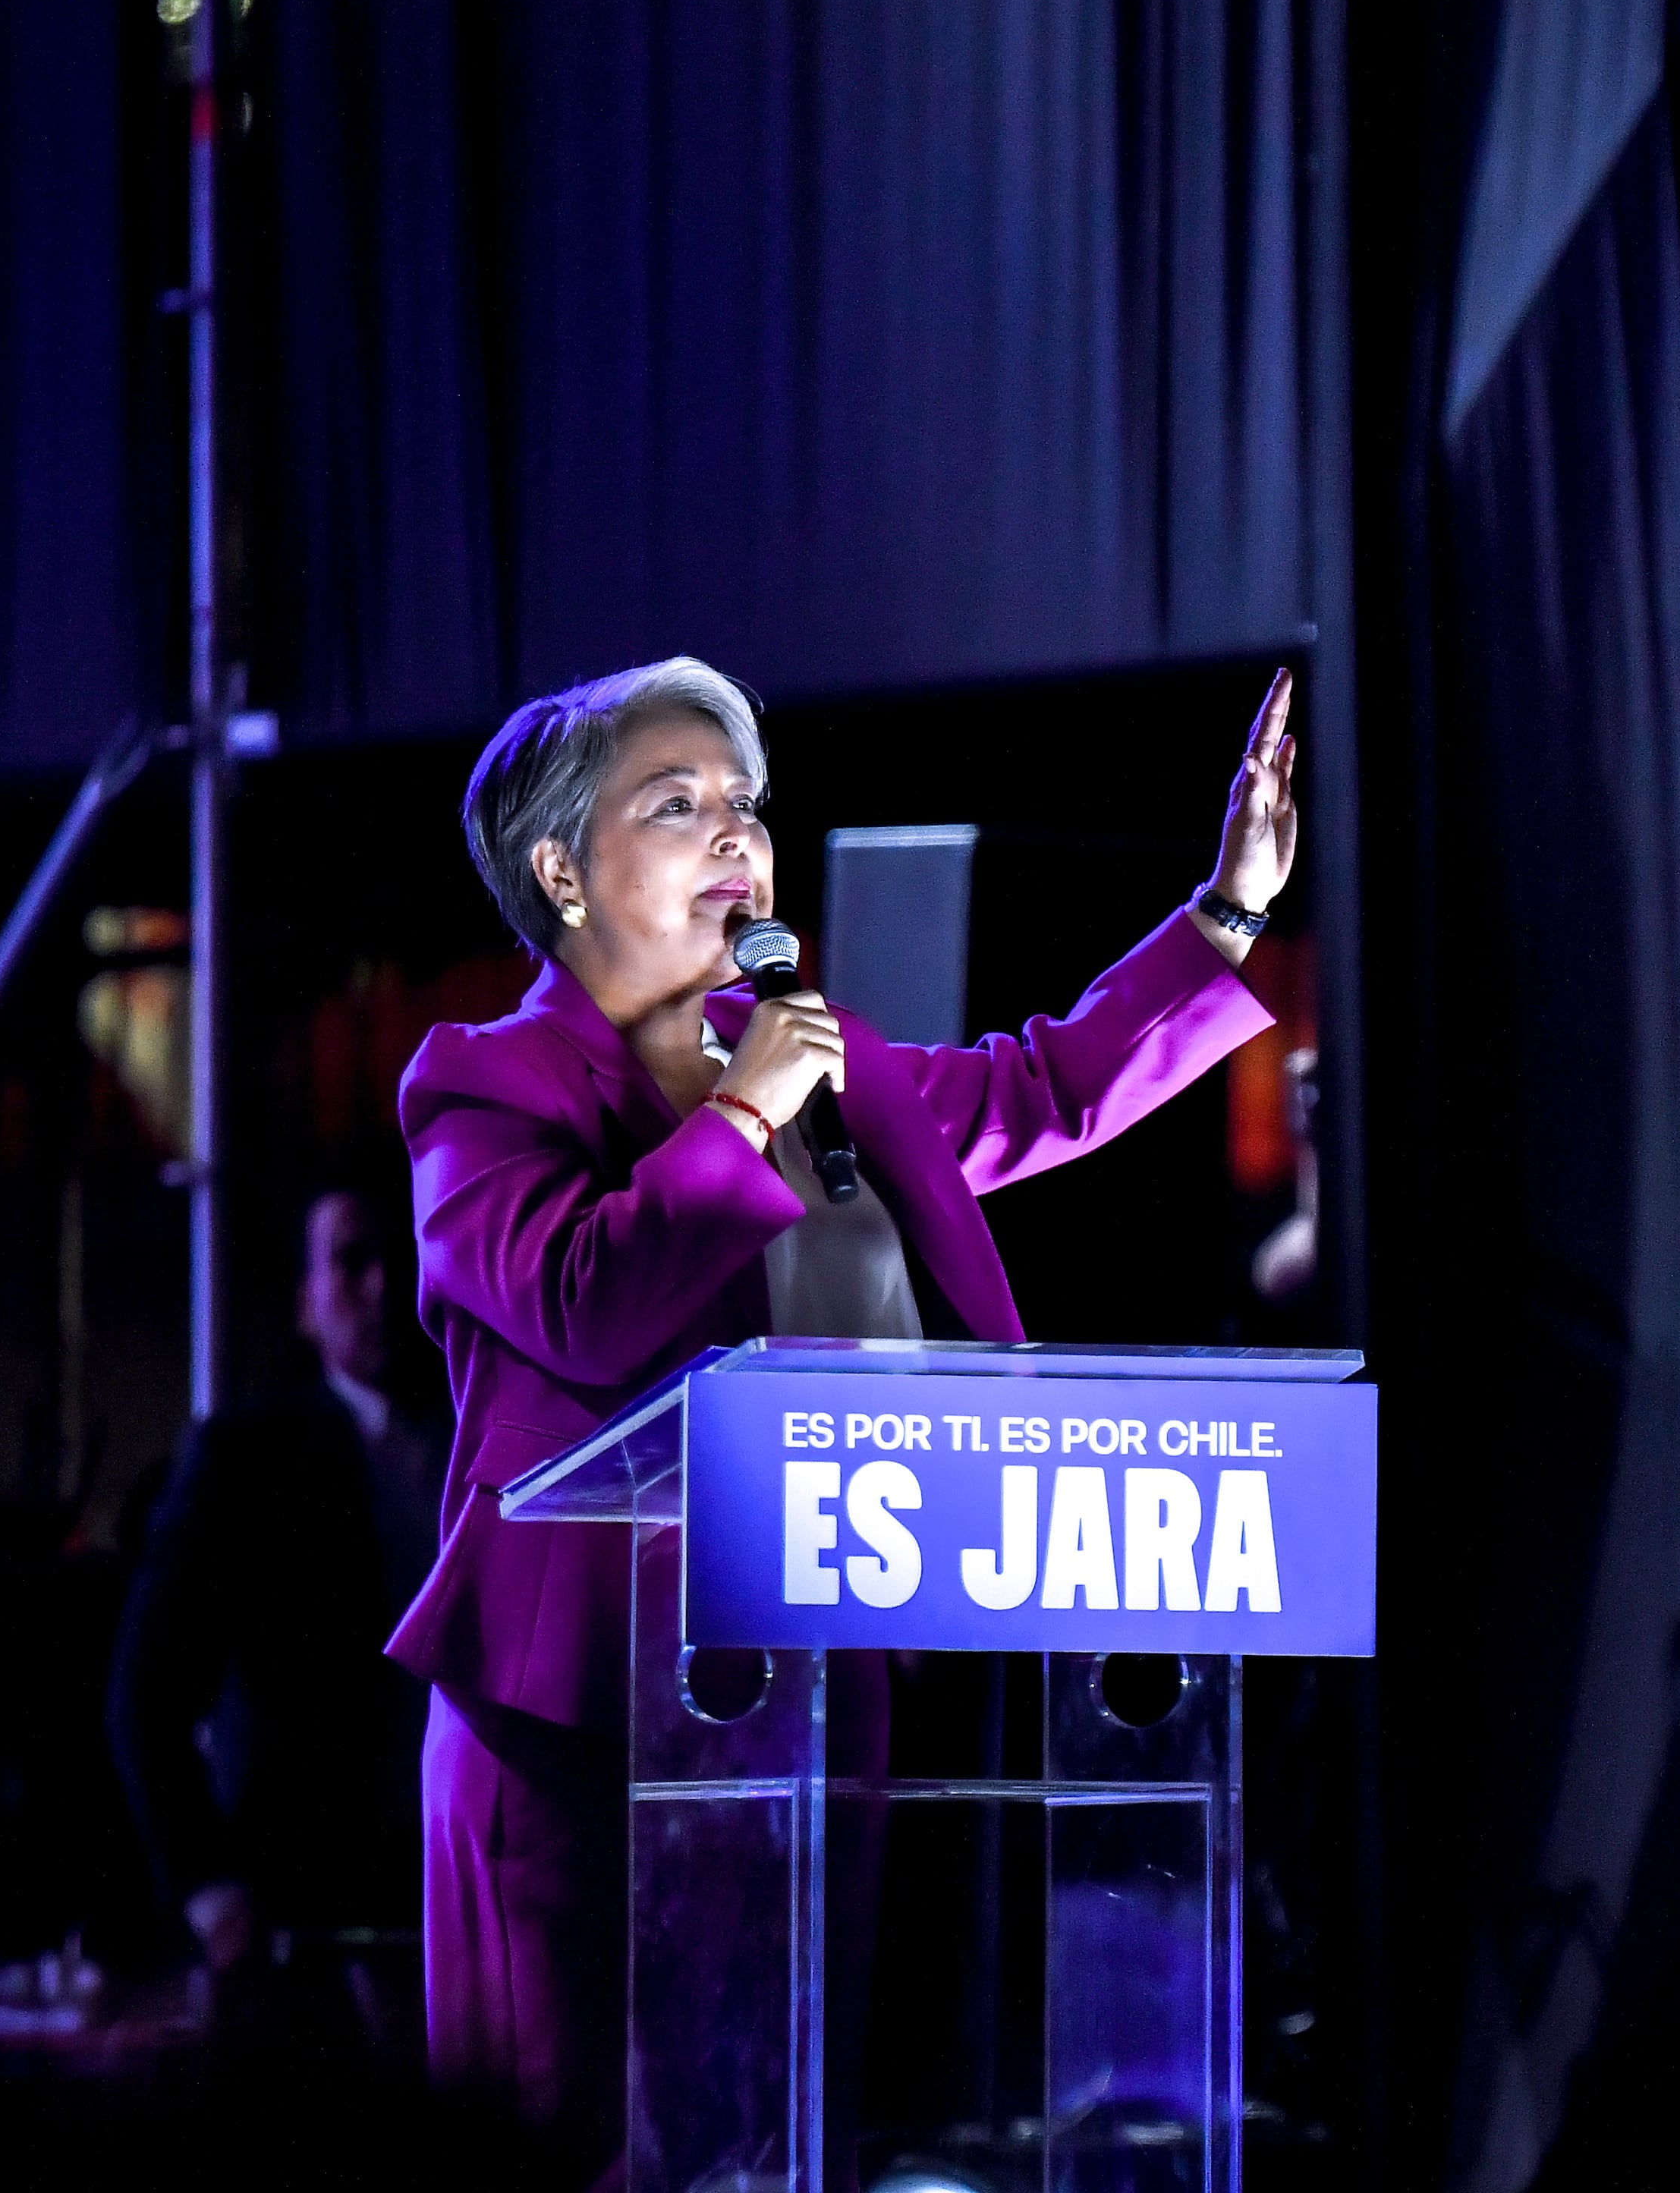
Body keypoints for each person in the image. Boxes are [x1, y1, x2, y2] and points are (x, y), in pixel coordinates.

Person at [388, 654, 1295, 2176]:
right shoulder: (488, 1083)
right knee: (566, 2145)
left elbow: (1044, 1088)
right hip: (577, 1711)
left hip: (808, 1676)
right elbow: (576, 1294)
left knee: (774, 2126)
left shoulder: (827, 1060)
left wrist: (1231, 910)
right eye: (675, 802)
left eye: (745, 800)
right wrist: (743, 1111)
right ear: (560, 869)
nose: (735, 830)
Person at [109, 1188, 450, 1995]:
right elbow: (146, 1693)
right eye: (351, 1262)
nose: (381, 1285)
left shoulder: (470, 1444)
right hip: (298, 1909)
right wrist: (210, 1892)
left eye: (396, 1259)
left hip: (444, 1884)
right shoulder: (247, 1458)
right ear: (305, 1303)